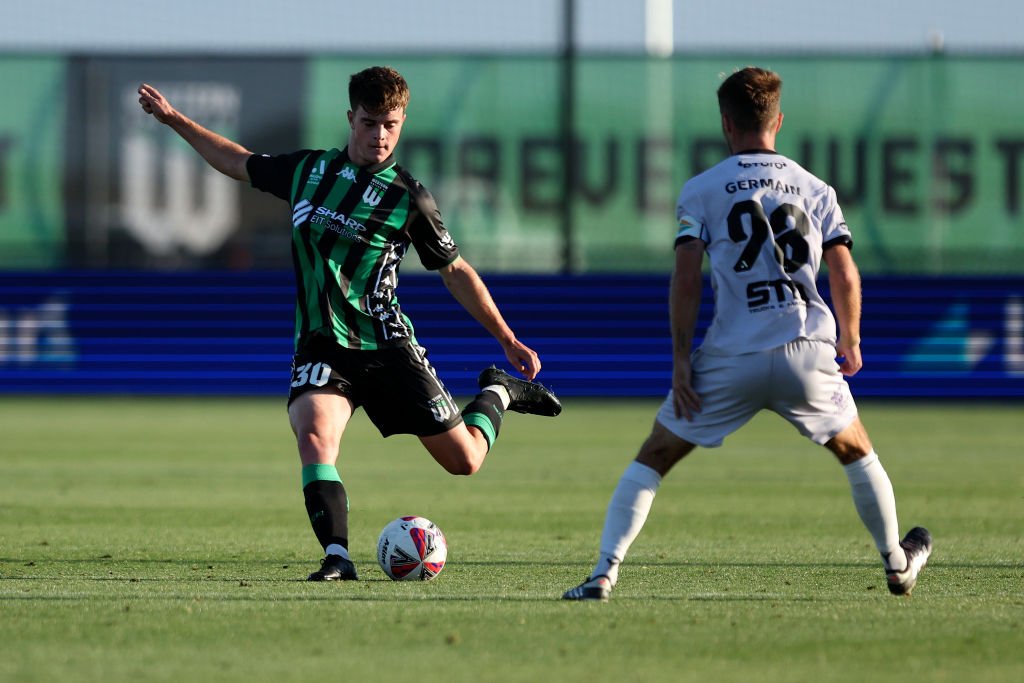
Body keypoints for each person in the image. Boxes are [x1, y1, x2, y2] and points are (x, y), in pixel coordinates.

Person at [138, 66, 561, 582]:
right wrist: (175, 119)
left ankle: (498, 391)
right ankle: (337, 556)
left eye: (391, 124)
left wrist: (506, 337)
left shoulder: (410, 198)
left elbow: (455, 271)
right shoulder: (308, 172)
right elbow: (238, 161)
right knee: (315, 437)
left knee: (465, 460)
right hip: (322, 345)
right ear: (350, 119)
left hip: (386, 345)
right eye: (369, 123)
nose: (380, 136)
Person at [562, 66, 930, 602]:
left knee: (654, 456)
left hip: (732, 353)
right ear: (778, 120)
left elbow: (687, 274)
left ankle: (602, 574)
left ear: (726, 124)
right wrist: (849, 340)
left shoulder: (702, 190)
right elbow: (845, 273)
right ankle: (897, 564)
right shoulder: (815, 188)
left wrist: (682, 359)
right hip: (806, 348)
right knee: (857, 452)